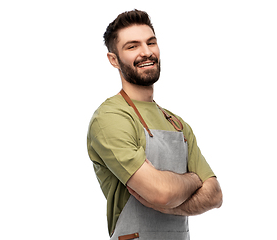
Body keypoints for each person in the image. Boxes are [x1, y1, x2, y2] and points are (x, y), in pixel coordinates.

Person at [87, 9, 223, 240]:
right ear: (113, 60)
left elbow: (215, 195)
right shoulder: (110, 117)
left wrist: (172, 205)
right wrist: (192, 179)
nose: (146, 52)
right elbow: (160, 193)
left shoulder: (178, 124)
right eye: (132, 46)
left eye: (151, 43)